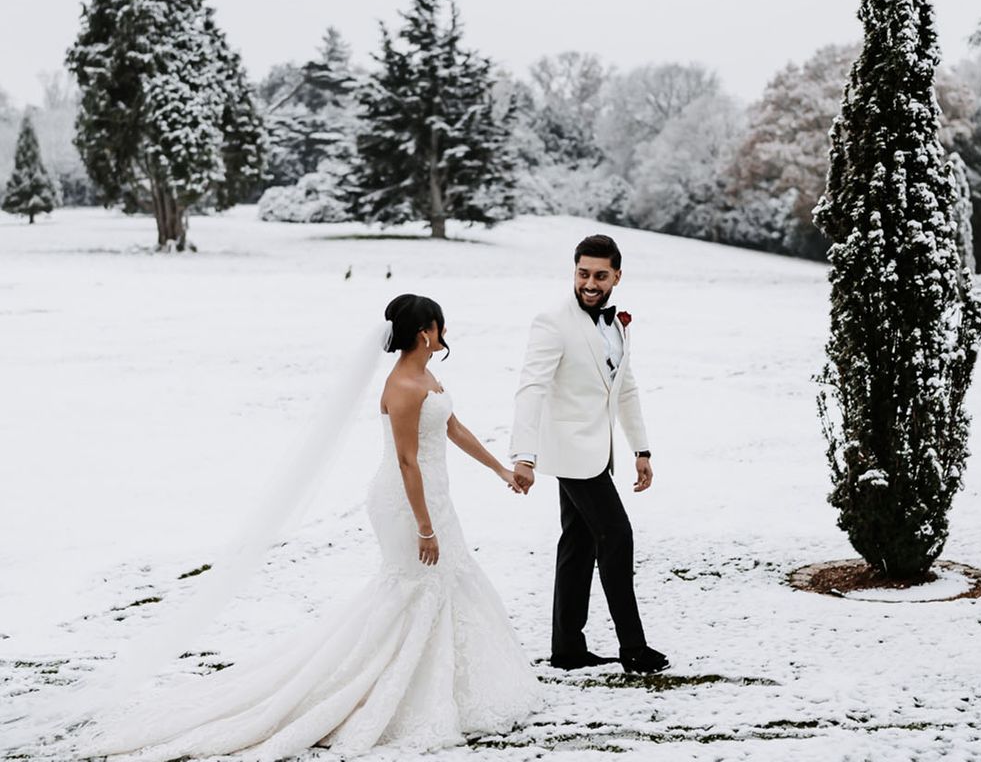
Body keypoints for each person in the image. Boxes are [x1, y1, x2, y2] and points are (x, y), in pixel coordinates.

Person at [70, 294, 539, 761]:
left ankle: (448, 686)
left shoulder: (428, 377)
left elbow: (453, 428)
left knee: (445, 584)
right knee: (411, 592)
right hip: (406, 504)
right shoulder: (402, 387)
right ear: (425, 332)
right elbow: (405, 461)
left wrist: (499, 470)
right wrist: (424, 527)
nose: (443, 335)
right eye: (439, 326)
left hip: (434, 499)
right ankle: (367, 690)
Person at [509, 234, 668, 674]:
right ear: (574, 272)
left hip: (600, 451)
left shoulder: (616, 325)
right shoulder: (552, 321)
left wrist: (642, 448)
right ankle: (633, 648)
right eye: (583, 274)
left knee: (577, 545)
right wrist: (524, 455)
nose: (590, 283)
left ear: (617, 275)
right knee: (616, 537)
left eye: (600, 275)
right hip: (569, 452)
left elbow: (626, 387)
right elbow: (531, 388)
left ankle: (567, 649)